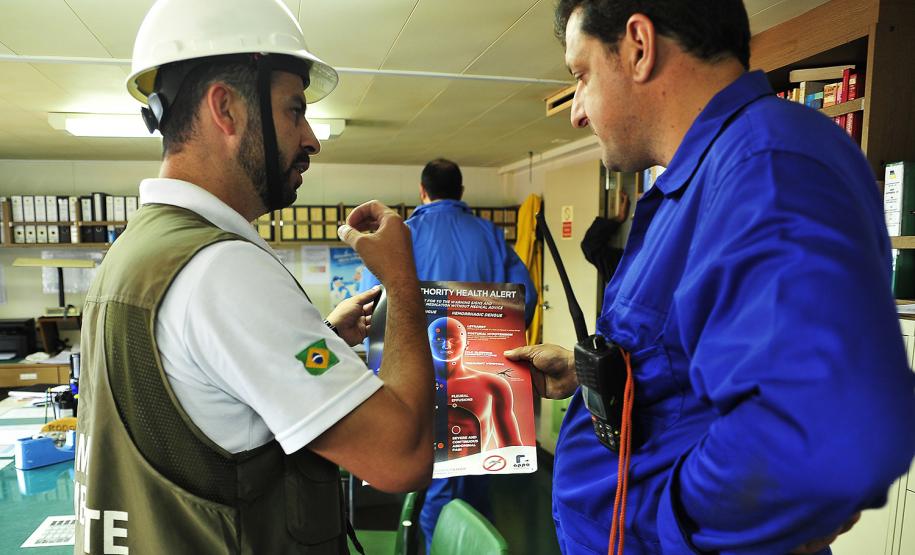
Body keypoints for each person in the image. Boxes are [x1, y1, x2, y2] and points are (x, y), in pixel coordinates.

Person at [505, 1, 915, 554]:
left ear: (638, 47)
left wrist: (664, 527)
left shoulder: (767, 164)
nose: (577, 111)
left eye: (581, 76)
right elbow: (690, 368)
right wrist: (593, 376)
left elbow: (826, 440)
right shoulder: (700, 180)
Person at [73, 1, 433, 553]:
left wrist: (325, 342)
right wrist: (405, 285)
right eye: (294, 110)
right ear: (228, 110)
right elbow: (400, 458)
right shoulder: (222, 269)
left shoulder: (136, 251)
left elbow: (205, 399)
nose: (311, 138)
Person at [362, 158, 537, 551]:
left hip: (420, 378)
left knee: (437, 481)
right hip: (484, 376)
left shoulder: (403, 235)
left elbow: (371, 306)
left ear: (423, 192)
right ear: (460, 192)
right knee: (477, 475)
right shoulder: (489, 234)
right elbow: (525, 300)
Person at [427, 316, 523, 457]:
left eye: (453, 340)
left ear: (467, 344)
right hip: (422, 474)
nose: (446, 346)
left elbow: (511, 447)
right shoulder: (409, 382)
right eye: (439, 340)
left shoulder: (492, 385)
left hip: (472, 474)